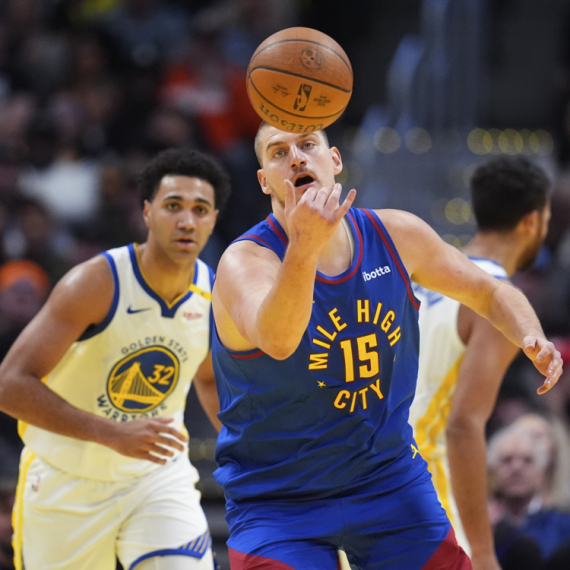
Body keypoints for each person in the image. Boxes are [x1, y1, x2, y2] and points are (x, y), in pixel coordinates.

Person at [210, 122, 563, 570]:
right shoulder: (244, 261)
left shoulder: (394, 234)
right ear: (264, 181)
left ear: (334, 160)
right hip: (278, 498)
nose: (296, 158)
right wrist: (302, 249)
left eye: (307, 145)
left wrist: (530, 334)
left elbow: (489, 290)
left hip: (386, 479)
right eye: (279, 152)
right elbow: (279, 341)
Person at [0, 148, 231, 570]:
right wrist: (110, 432)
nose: (187, 220)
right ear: (147, 212)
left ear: (213, 220)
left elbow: (207, 379)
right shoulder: (95, 283)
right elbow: (9, 385)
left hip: (157, 477)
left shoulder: (211, 292)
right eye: (173, 206)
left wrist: (248, 454)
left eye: (200, 209)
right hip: (65, 480)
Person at [408, 155, 552, 569]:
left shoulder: (426, 276)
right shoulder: (500, 302)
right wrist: (485, 553)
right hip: (427, 485)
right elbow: (462, 425)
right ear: (531, 221)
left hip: (377, 473)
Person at [487, 424, 570, 568]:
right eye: (507, 460)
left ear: (542, 471)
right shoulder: (480, 528)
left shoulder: (564, 526)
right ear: (492, 471)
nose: (516, 468)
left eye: (528, 460)